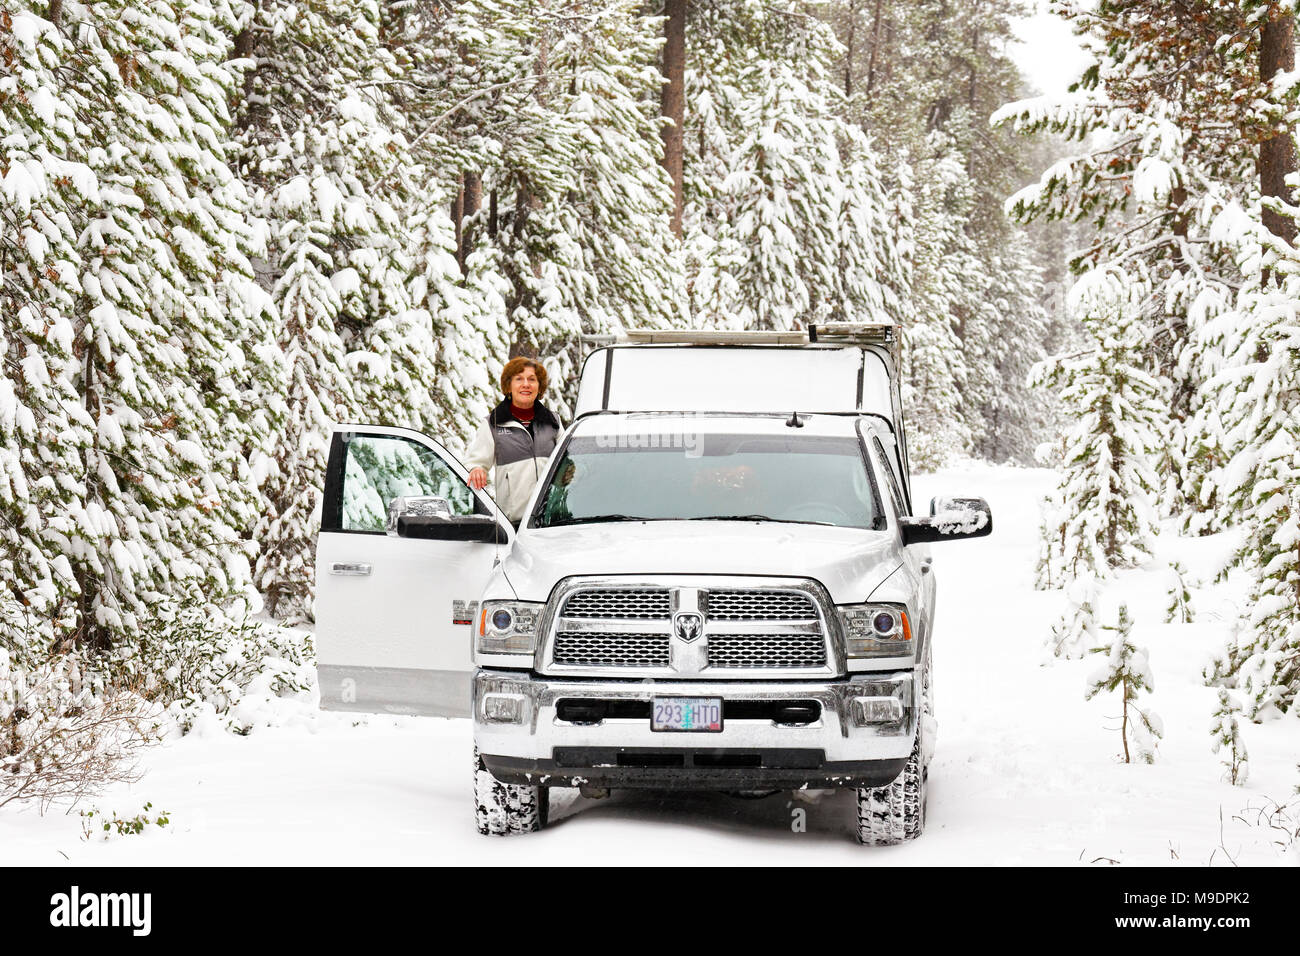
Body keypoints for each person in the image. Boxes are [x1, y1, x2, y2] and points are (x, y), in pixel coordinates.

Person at [464, 357, 562, 527]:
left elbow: (569, 461)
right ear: (509, 386)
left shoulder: (553, 421)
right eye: (519, 379)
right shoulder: (493, 424)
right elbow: (475, 462)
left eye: (532, 380)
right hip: (514, 523)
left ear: (539, 387)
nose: (526, 384)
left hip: (553, 521)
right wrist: (476, 469)